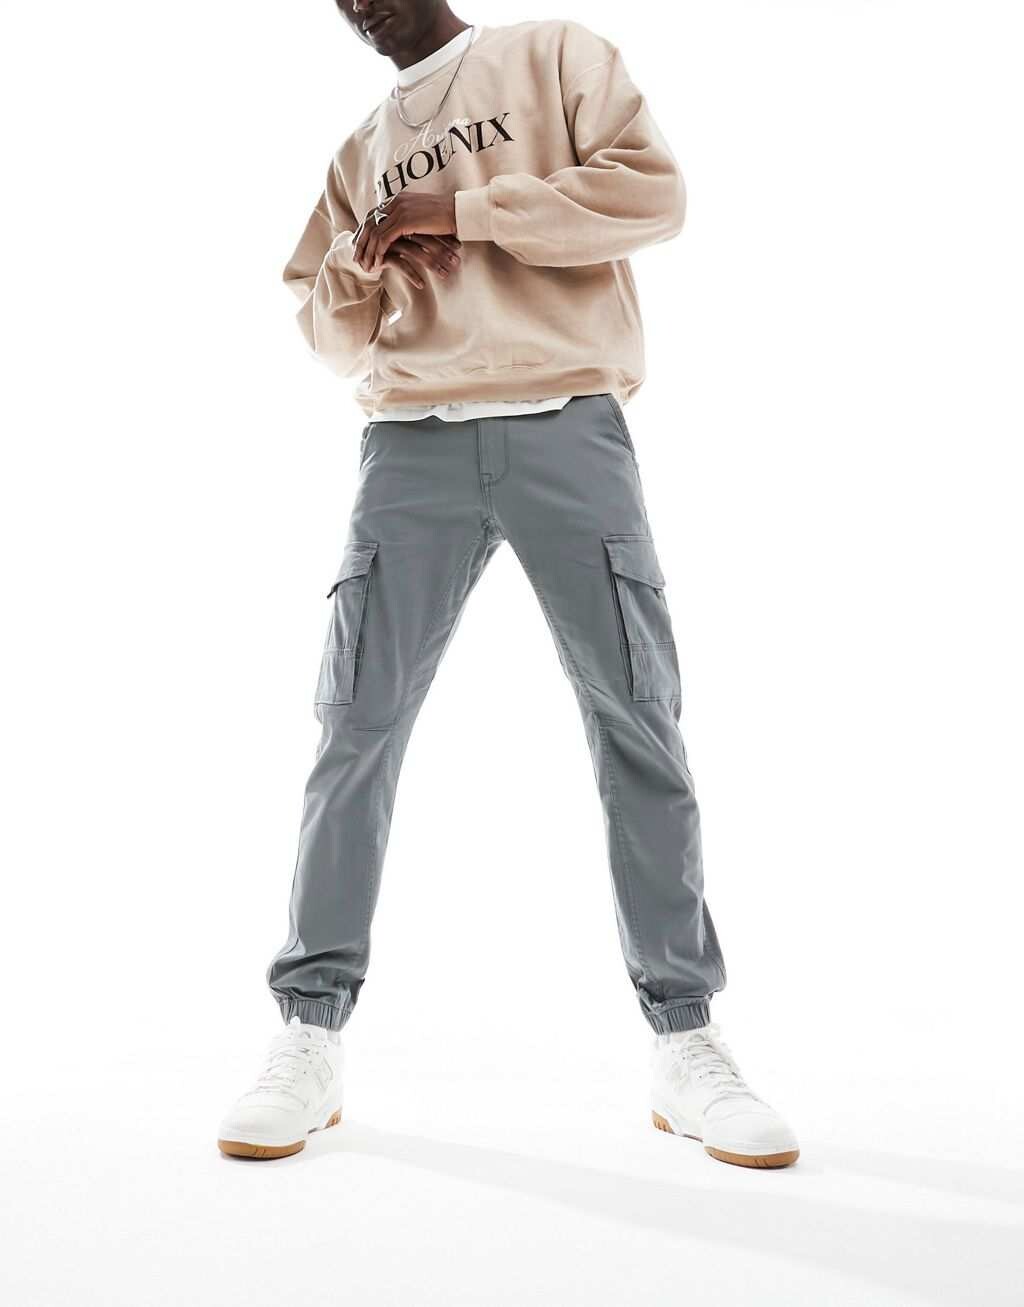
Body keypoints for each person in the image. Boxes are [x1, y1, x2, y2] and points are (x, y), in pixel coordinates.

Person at [217, 0, 800, 1169]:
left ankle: (684, 1035)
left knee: (637, 718)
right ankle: (309, 1031)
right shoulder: (358, 151)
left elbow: (652, 194)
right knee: (355, 727)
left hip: (565, 423)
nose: (360, 4)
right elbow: (326, 334)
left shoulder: (552, 57)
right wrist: (368, 250)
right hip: (410, 444)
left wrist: (462, 209)